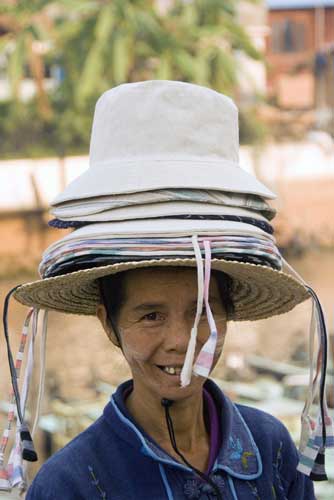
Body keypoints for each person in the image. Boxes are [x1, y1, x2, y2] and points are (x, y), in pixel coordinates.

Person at [1, 81, 331, 499]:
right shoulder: (73, 484)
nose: (181, 342)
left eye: (202, 313)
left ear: (228, 313)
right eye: (151, 315)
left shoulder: (272, 447)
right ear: (109, 323)